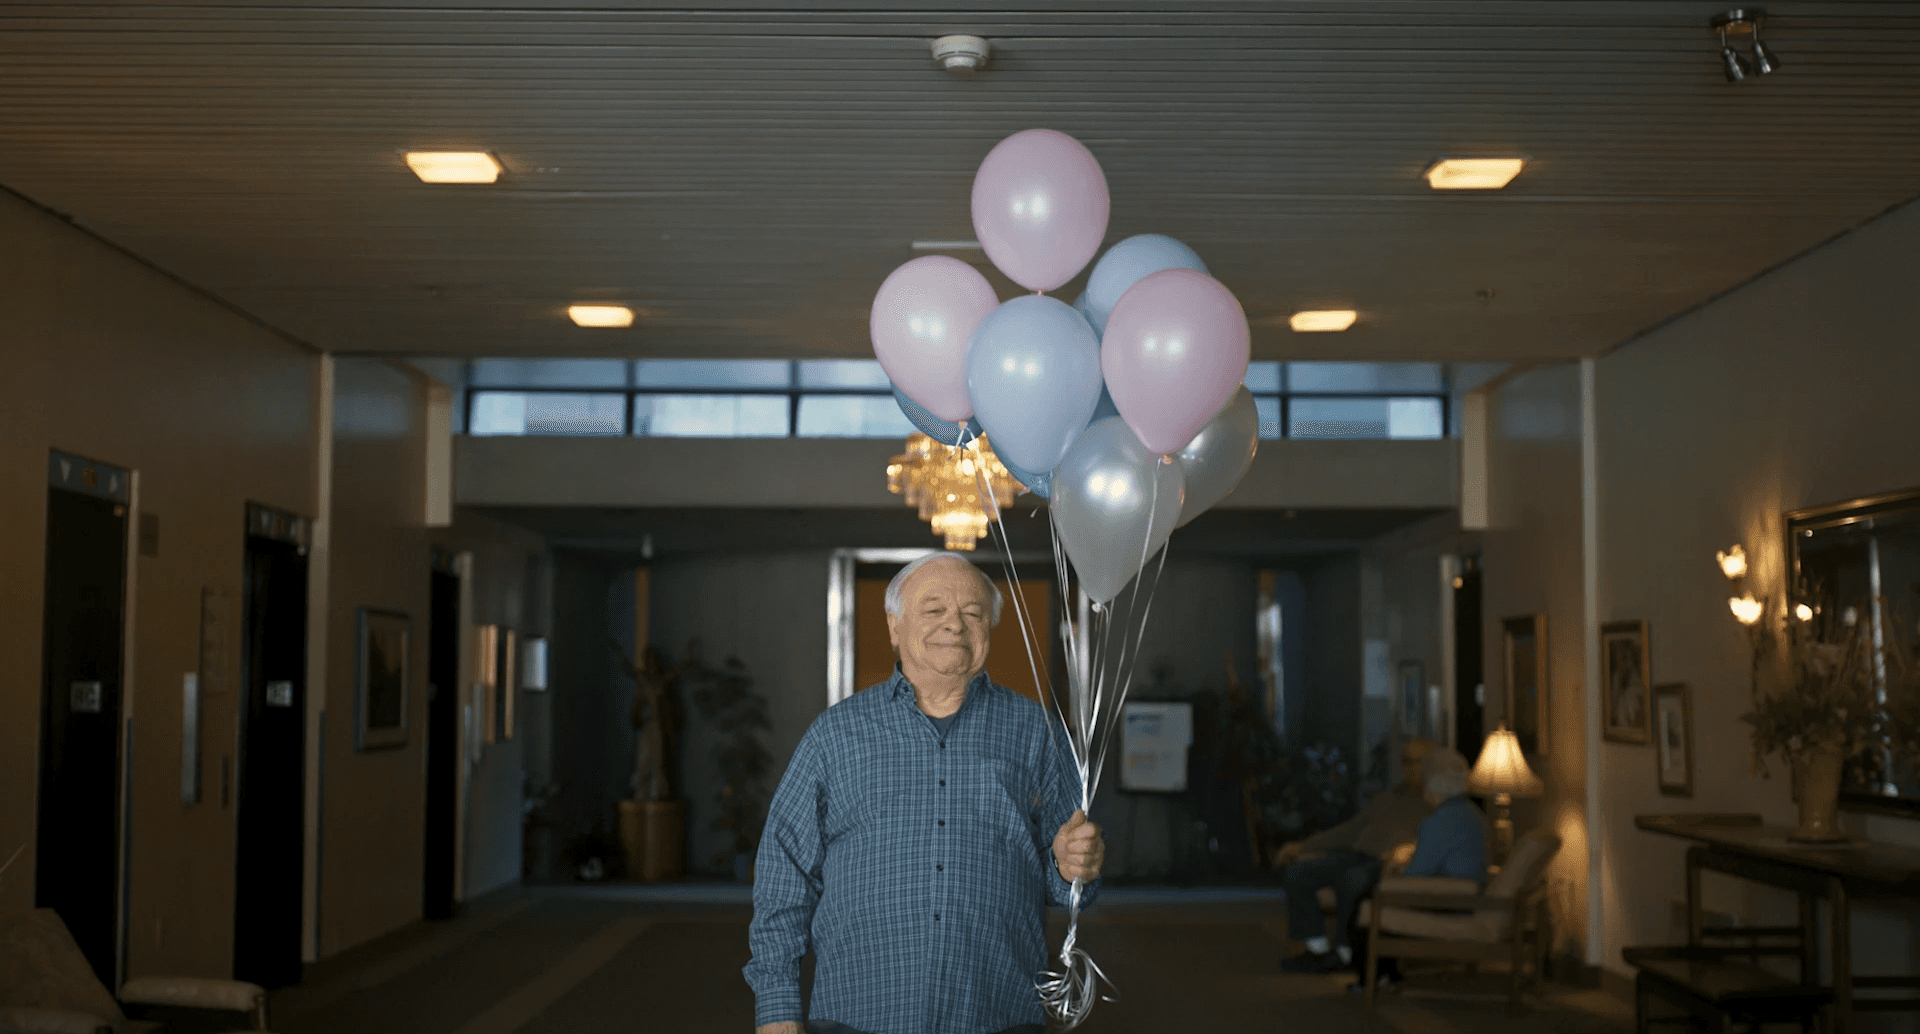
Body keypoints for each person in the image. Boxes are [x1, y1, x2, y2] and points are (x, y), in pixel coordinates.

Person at [745, 552, 1105, 1034]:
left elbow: (1073, 879)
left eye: (973, 613)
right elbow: (782, 876)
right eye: (933, 610)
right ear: (894, 626)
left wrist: (1072, 866)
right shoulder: (835, 736)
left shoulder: (1036, 731)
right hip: (858, 1012)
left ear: (990, 628)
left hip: (997, 1012)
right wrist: (776, 1008)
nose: (954, 625)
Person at [1276, 736, 1436, 974]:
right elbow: (1349, 830)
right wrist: (1303, 846)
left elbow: (1435, 843)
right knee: (1298, 872)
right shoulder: (1388, 797)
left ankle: (1345, 952)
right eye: (1406, 761)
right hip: (1358, 854)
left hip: (1387, 864)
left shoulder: (1435, 802)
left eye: (1418, 761)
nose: (1410, 767)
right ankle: (1317, 948)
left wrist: (1408, 851)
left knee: (1352, 879)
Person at [1348, 747, 1490, 989]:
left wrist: (1394, 872)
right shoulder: (1473, 814)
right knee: (1375, 893)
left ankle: (1371, 977)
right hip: (1467, 896)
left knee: (1366, 901)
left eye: (1424, 782)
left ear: (1434, 786)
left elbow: (1418, 873)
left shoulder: (1438, 821)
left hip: (1449, 902)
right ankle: (1387, 974)